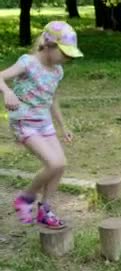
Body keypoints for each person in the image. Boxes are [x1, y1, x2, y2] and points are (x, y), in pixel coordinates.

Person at [0, 21, 83, 229]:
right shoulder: (28, 62)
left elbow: (52, 99)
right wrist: (7, 92)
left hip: (44, 123)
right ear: (48, 45)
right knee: (53, 163)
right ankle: (25, 198)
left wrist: (63, 127)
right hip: (24, 122)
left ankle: (45, 209)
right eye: (64, 53)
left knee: (61, 164)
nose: (67, 58)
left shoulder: (57, 71)